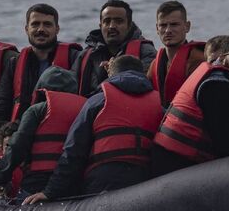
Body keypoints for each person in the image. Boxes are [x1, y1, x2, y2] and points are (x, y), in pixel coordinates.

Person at [24, 55, 163, 203]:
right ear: (143, 74)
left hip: (103, 180)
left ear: (111, 74)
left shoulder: (97, 101)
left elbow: (74, 150)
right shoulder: (160, 107)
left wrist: (50, 191)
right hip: (145, 182)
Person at [151, 33, 229, 177]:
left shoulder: (223, 81)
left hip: (179, 161)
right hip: (175, 164)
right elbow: (227, 144)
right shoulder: (217, 85)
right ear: (223, 57)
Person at [0, 67, 84, 200]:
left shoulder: (36, 110)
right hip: (75, 183)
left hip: (38, 182)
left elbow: (18, 145)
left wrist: (0, 179)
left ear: (41, 89)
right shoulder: (86, 109)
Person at [0, 4, 81, 132]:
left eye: (47, 24)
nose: (41, 29)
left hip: (63, 130)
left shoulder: (75, 58)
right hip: (20, 130)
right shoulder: (15, 63)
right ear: (26, 29)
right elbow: (2, 102)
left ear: (57, 29)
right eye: (35, 24)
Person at [74, 0, 156, 96]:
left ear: (129, 25)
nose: (112, 26)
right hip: (91, 108)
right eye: (107, 21)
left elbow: (145, 87)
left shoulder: (146, 52)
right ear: (100, 26)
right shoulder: (86, 56)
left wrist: (114, 74)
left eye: (119, 21)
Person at [148, 0, 207, 107]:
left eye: (174, 24)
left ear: (187, 26)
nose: (168, 30)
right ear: (157, 29)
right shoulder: (154, 65)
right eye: (163, 25)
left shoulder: (198, 61)